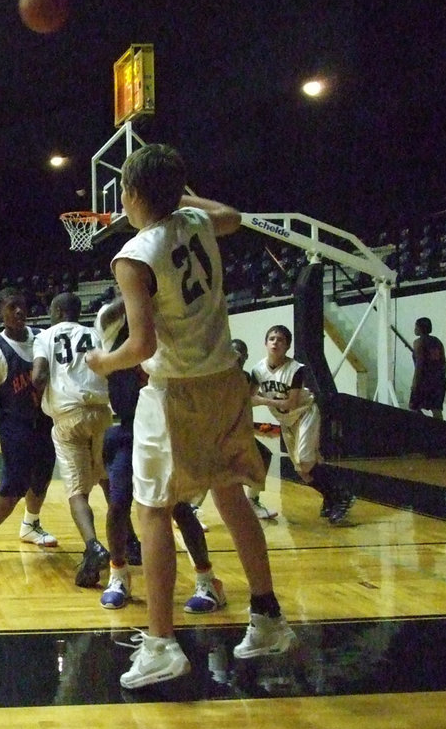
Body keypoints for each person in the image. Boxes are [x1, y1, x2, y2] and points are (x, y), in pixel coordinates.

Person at [85, 143, 296, 689]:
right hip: (227, 379)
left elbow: (140, 344)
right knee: (229, 494)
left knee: (151, 510)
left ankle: (160, 644)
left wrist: (102, 361)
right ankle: (268, 616)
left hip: (176, 390)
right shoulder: (199, 221)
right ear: (177, 193)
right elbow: (233, 216)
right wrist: (184, 197)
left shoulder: (133, 256)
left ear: (130, 194)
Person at [94, 300, 218, 612]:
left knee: (177, 507)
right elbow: (111, 312)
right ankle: (118, 575)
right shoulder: (113, 326)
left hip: (166, 426)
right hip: (126, 430)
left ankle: (207, 581)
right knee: (118, 504)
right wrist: (137, 288)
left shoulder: (168, 328)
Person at [0, 287, 58, 568]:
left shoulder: (43, 338)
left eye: (22, 305)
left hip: (44, 420)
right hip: (14, 422)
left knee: (42, 475)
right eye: (11, 307)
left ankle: (30, 525)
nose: (19, 311)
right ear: (0, 313)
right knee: (15, 482)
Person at [31, 291, 111, 587]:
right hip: (102, 413)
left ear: (56, 312)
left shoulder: (46, 336)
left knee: (77, 491)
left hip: (68, 416)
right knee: (107, 479)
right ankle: (128, 539)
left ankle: (93, 546)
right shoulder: (95, 333)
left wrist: (36, 395)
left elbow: (39, 375)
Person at [250, 325, 354, 524]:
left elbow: (291, 403)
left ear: (287, 346)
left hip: (305, 413)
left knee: (305, 461)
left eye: (280, 340)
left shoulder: (296, 369)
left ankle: (342, 495)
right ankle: (332, 497)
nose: (275, 342)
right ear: (265, 343)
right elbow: (249, 397)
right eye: (271, 338)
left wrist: (263, 400)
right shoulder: (258, 370)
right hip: (287, 422)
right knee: (303, 471)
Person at [231, 338, 278, 520]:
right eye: (234, 354)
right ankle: (190, 509)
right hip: (215, 432)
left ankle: (252, 501)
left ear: (246, 357)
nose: (238, 358)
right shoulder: (218, 377)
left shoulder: (246, 377)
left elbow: (248, 402)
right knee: (209, 469)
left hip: (239, 432)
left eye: (241, 355)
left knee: (264, 456)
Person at [409, 317, 446, 419]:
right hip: (438, 381)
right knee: (437, 410)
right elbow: (443, 363)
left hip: (423, 381)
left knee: (413, 407)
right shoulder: (437, 342)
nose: (414, 328)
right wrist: (443, 379)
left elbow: (419, 365)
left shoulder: (418, 342)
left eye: (416, 326)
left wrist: (415, 383)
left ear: (421, 328)